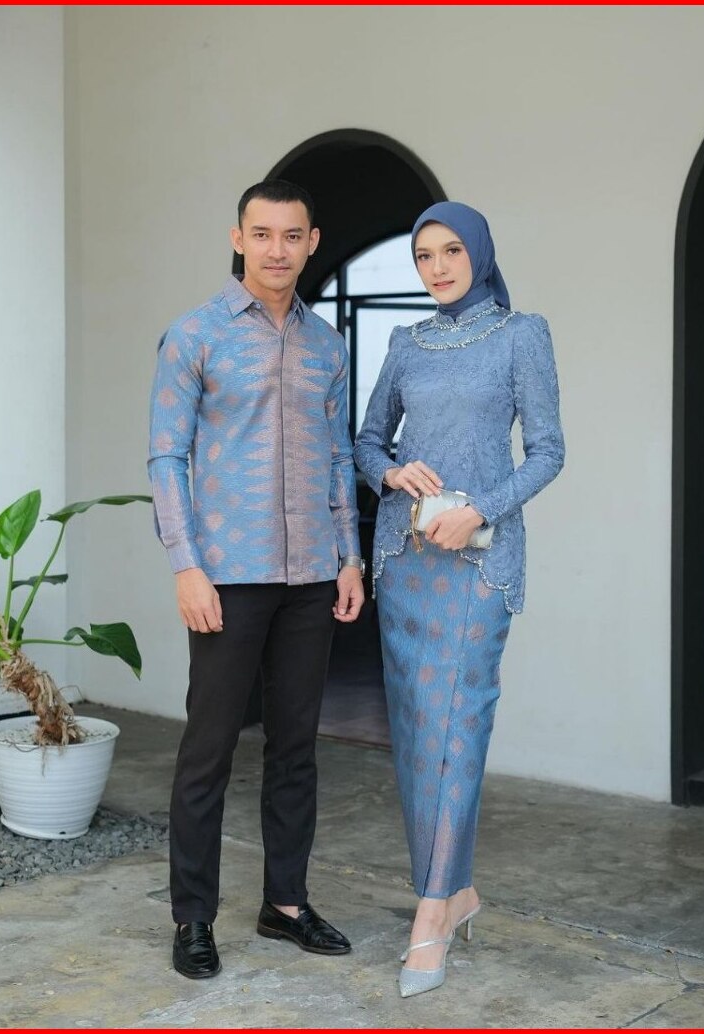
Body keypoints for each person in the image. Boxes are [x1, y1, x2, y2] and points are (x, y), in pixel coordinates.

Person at [148, 179, 365, 979]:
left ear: (312, 242)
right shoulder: (194, 335)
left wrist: (349, 556)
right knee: (209, 749)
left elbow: (339, 458)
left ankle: (286, 905)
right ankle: (193, 917)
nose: (278, 249)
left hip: (311, 573)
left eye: (292, 235)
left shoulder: (327, 347)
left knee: (296, 747)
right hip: (226, 576)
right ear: (239, 238)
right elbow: (165, 458)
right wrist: (186, 566)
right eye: (263, 234)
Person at [353, 201, 565, 997]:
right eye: (423, 256)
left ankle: (431, 910)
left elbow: (548, 451)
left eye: (450, 251)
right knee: (416, 733)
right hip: (405, 560)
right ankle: (455, 889)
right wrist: (389, 471)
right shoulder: (406, 343)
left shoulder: (521, 335)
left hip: (477, 565)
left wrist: (482, 510)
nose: (437, 268)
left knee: (458, 729)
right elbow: (366, 440)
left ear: (479, 253)